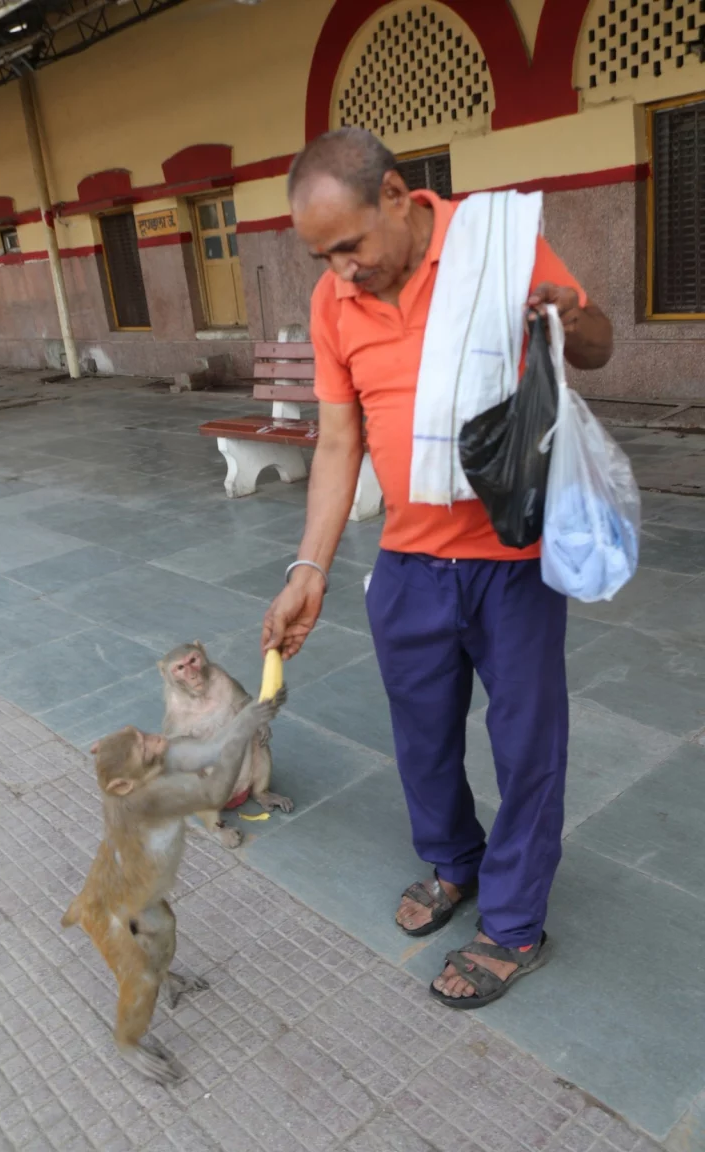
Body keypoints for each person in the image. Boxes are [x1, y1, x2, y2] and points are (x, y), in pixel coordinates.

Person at [261, 127, 613, 1009]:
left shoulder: (493, 245)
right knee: (422, 736)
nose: (342, 270)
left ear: (397, 195)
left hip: (513, 557)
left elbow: (598, 344)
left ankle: (515, 922)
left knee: (528, 745)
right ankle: (454, 865)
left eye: (350, 245)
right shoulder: (333, 302)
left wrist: (574, 320)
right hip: (412, 562)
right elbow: (339, 441)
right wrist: (311, 563)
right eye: (322, 255)